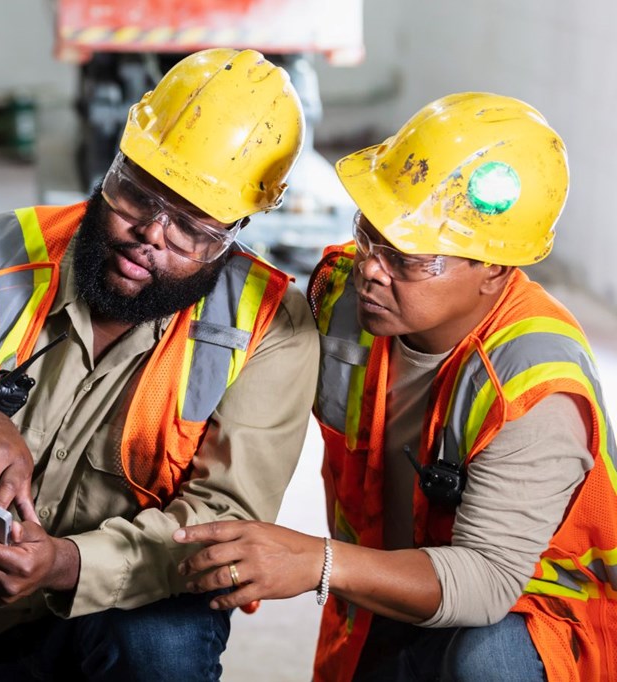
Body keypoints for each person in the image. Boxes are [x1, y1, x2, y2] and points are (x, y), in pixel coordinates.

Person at [0, 48, 318, 681]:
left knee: (157, 651)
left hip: (146, 600)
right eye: (138, 194)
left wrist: (68, 565)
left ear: (235, 232)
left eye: (191, 228)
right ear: (115, 161)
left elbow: (224, 524)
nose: (151, 235)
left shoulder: (270, 329)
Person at [174, 92, 617, 682]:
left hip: (532, 621)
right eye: (369, 234)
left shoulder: (534, 387)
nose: (371, 268)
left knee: (487, 663)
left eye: (408, 257)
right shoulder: (343, 302)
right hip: (390, 589)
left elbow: (485, 580)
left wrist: (315, 561)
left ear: (494, 269)